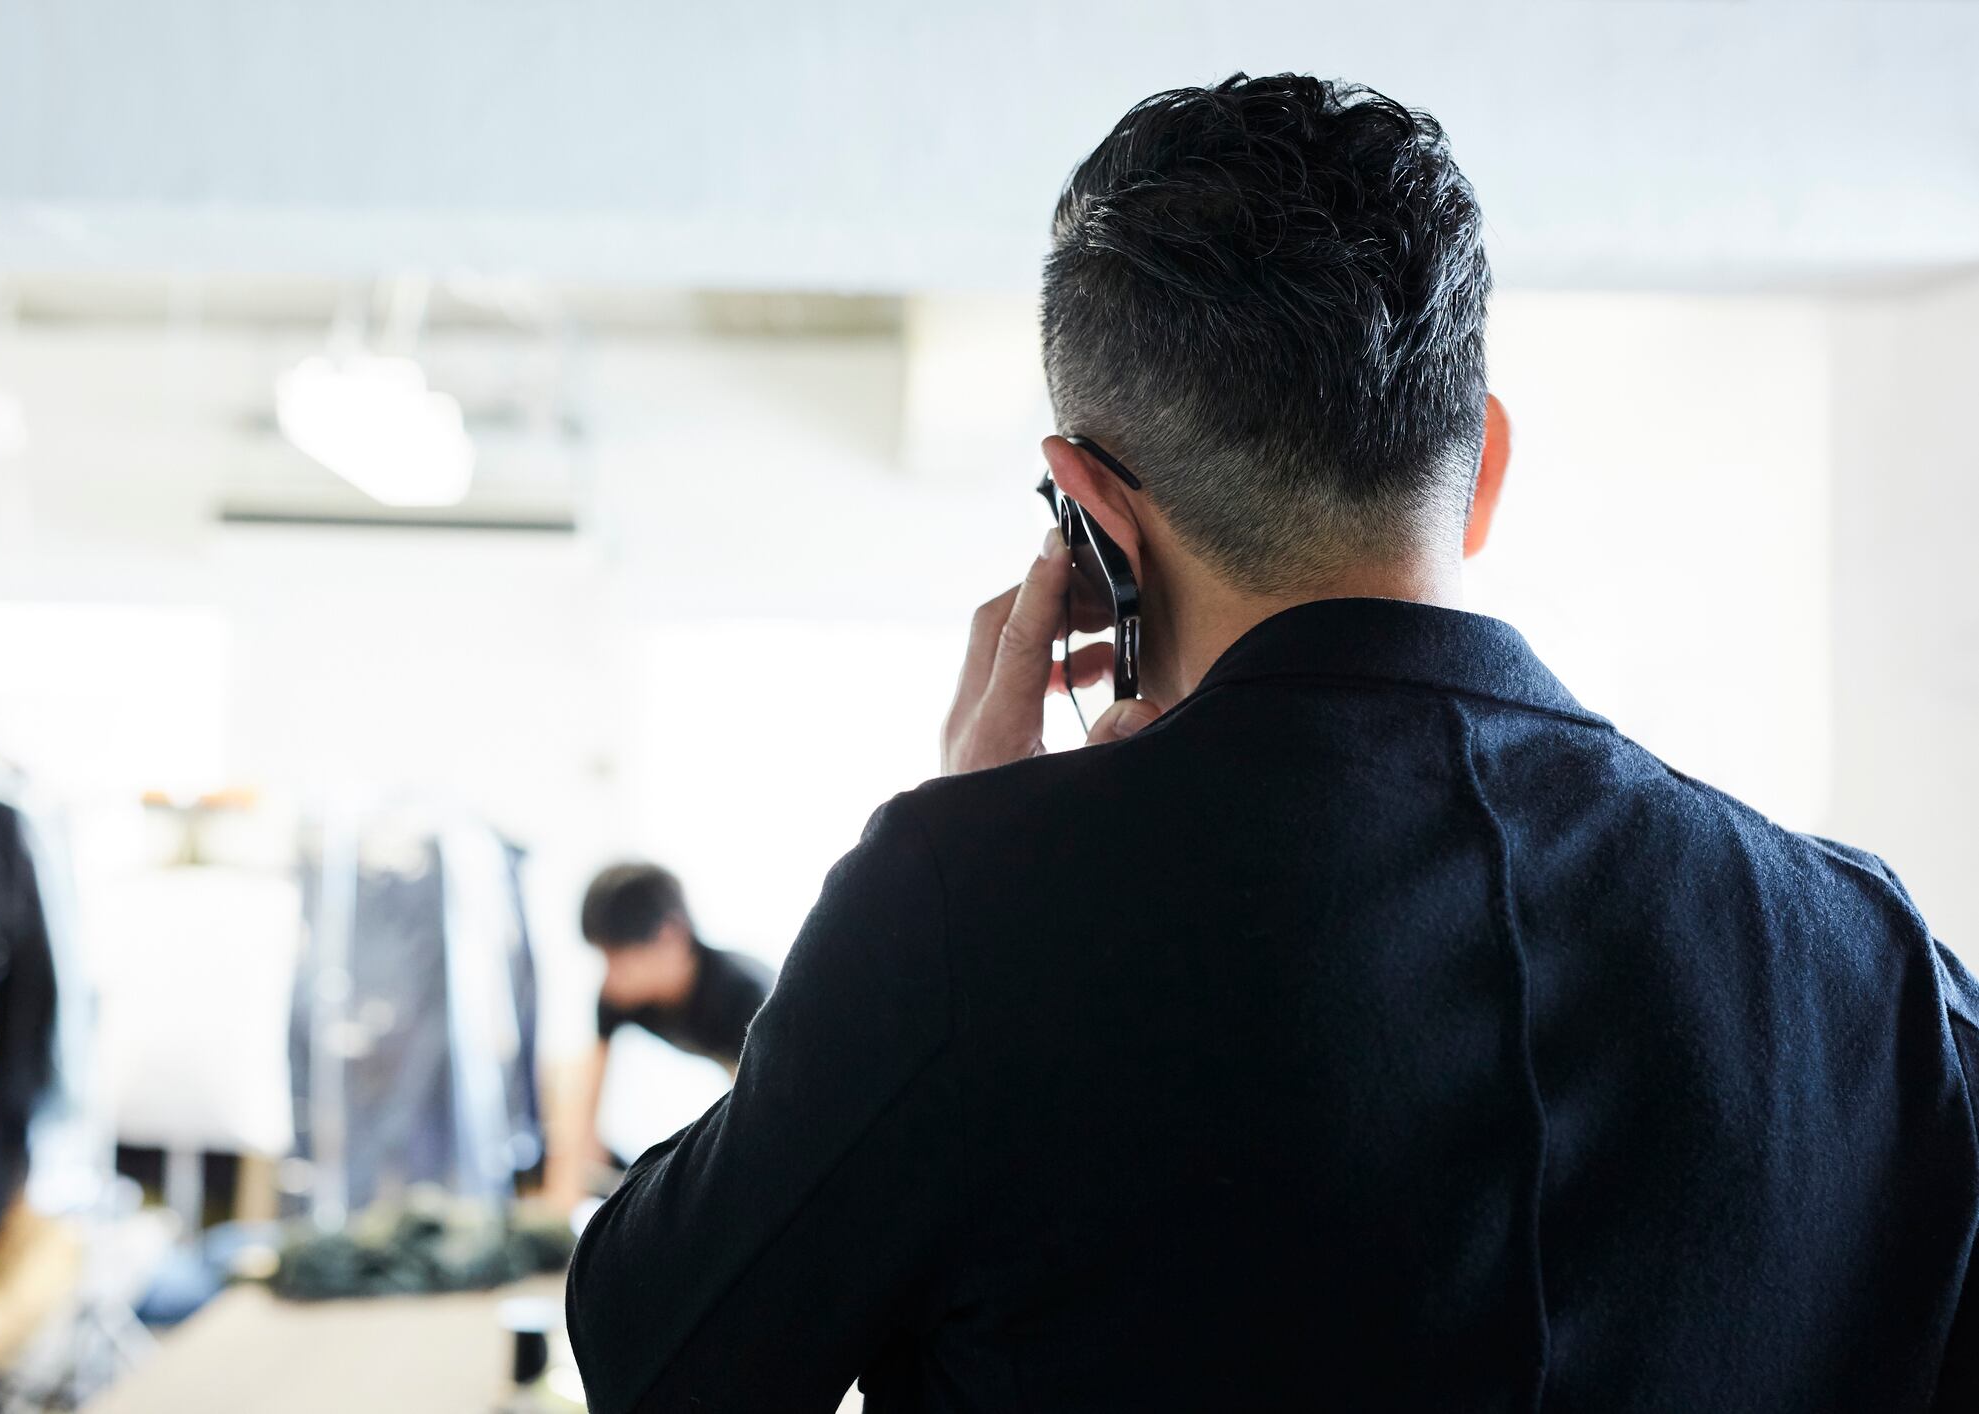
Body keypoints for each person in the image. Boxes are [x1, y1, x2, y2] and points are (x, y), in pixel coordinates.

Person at [566, 73, 1979, 1411]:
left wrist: (964, 847)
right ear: (1479, 466)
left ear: (1091, 519)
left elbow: (659, 1355)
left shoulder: (964, 908)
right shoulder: (1878, 959)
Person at [542, 863, 769, 1209]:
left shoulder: (743, 994)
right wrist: (560, 1202)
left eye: (619, 958)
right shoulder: (617, 995)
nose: (610, 976)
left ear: (670, 935)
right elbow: (584, 1103)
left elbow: (757, 1110)